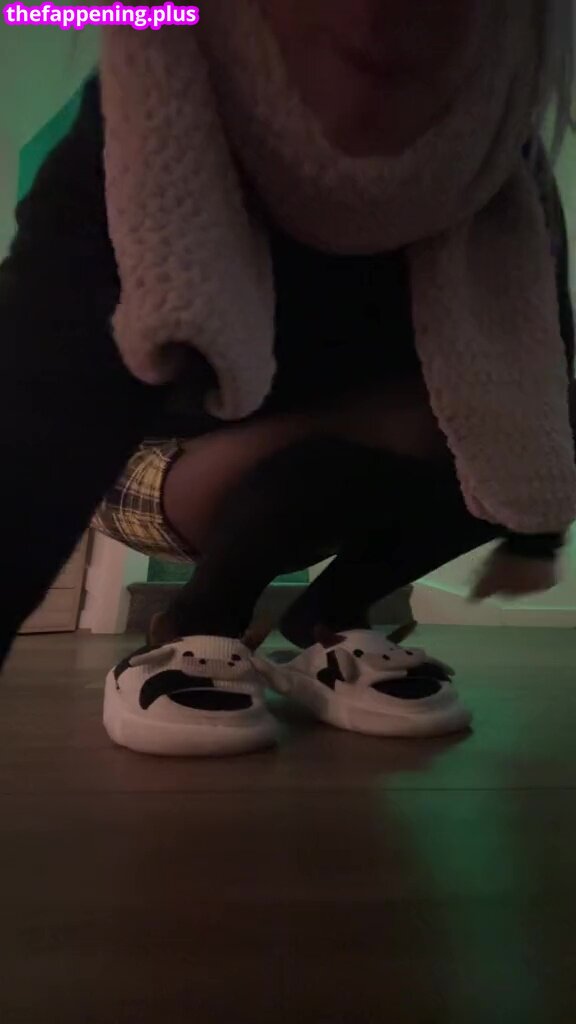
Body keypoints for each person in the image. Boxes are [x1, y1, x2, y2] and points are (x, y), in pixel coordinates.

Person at [1, 2, 575, 757]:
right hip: (163, 461)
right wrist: (373, 421)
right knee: (352, 446)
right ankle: (195, 627)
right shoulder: (149, 112)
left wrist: (535, 535)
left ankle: (332, 616)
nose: (375, 14)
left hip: (353, 462)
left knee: (521, 441)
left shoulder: (504, 173)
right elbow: (36, 413)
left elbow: (541, 375)